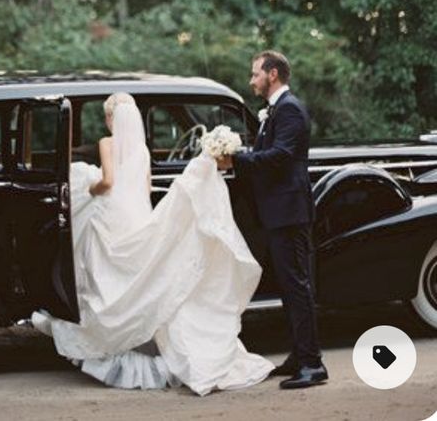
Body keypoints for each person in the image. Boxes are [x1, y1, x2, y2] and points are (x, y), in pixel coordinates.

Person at [33, 92, 273, 395]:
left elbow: (107, 183)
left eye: (108, 116)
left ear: (111, 119)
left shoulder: (108, 144)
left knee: (110, 276)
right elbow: (145, 188)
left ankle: (110, 339)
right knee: (144, 277)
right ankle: (155, 341)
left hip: (111, 213)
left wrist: (88, 190)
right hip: (137, 213)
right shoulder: (143, 150)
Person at [217, 50, 327, 390]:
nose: (251, 81)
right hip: (278, 213)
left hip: (290, 213)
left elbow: (281, 157)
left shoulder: (290, 109)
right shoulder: (277, 110)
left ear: (273, 74)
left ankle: (313, 364)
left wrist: (237, 159)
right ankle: (299, 355)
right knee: (288, 286)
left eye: (255, 74)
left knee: (297, 286)